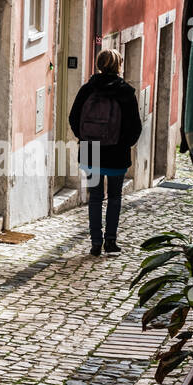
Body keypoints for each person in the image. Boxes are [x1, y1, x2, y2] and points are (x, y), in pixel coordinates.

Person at [69, 49, 142, 257]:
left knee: (95, 197)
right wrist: (125, 143)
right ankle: (110, 241)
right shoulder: (126, 92)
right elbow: (134, 126)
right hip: (117, 152)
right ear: (118, 65)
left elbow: (74, 118)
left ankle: (95, 242)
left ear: (99, 64)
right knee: (115, 197)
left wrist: (85, 139)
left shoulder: (87, 89)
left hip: (91, 151)